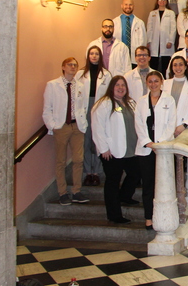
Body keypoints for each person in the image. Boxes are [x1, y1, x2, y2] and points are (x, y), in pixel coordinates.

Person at [91, 75, 139, 224]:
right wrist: (103, 148)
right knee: (112, 182)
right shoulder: (103, 104)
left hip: (131, 149)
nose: (120, 88)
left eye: (123, 85)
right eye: (117, 85)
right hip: (111, 151)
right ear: (112, 87)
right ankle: (114, 214)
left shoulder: (130, 103)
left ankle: (124, 196)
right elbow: (97, 127)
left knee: (136, 174)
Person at [42, 57, 90, 205]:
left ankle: (76, 191)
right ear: (63, 67)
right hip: (61, 126)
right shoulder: (52, 85)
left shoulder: (81, 85)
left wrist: (83, 123)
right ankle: (62, 193)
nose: (73, 67)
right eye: (70, 65)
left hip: (77, 126)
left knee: (78, 160)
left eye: (75, 65)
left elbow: (84, 106)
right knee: (61, 161)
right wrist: (53, 125)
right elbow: (47, 109)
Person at [134, 71, 177, 230]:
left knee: (163, 184)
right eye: (150, 81)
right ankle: (148, 218)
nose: (153, 84)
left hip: (162, 148)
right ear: (147, 84)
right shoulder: (141, 101)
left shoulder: (169, 100)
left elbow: (171, 123)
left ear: (161, 82)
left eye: (156, 81)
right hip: (146, 149)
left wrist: (159, 144)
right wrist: (148, 143)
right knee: (148, 185)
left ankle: (164, 216)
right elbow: (138, 123)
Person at [77, 46, 111, 187]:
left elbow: (109, 94)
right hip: (84, 109)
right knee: (85, 142)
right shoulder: (80, 74)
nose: (94, 56)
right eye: (91, 53)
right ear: (88, 55)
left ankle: (96, 172)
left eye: (97, 53)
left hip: (99, 108)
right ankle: (87, 173)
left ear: (100, 56)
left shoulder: (106, 74)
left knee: (97, 141)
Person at [165, 56, 188, 138]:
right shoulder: (164, 84)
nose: (178, 68)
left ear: (185, 67)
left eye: (181, 65)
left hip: (183, 128)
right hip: (165, 126)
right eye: (175, 65)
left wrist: (184, 125)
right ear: (171, 68)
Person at [146, 0, 176, 76]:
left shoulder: (170, 13)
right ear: (157, 1)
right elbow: (149, 28)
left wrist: (171, 41)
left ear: (166, 1)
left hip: (167, 43)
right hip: (154, 43)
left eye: (164, 0)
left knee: (165, 65)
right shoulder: (152, 13)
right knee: (154, 65)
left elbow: (173, 28)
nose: (162, 1)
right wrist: (148, 41)